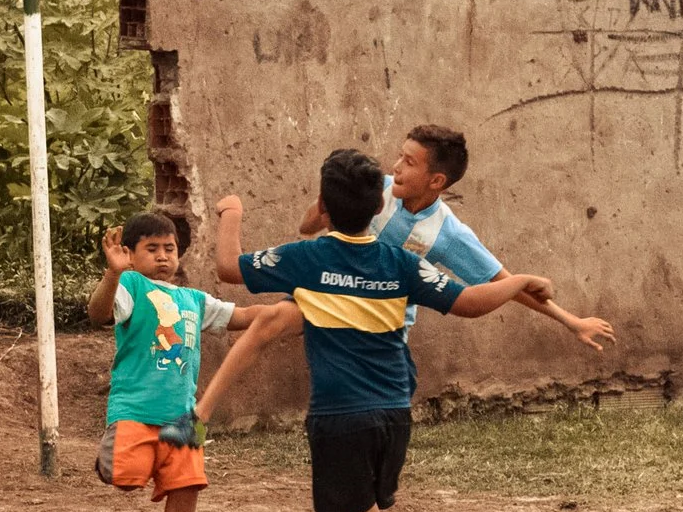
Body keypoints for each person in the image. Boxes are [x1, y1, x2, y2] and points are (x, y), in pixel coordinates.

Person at [214, 148, 555, 512]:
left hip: (340, 414)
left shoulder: (306, 258)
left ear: (322, 209)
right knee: (355, 511)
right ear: (379, 208)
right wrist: (518, 282)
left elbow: (227, 268)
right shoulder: (401, 261)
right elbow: (466, 303)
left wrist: (231, 213)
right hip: (394, 409)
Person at [180, 123, 612, 436]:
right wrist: (325, 201)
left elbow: (504, 281)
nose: (397, 167)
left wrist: (571, 321)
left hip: (381, 328)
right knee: (269, 320)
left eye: (409, 162)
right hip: (330, 298)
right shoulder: (372, 187)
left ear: (436, 180)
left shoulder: (447, 233)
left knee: (366, 426)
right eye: (398, 158)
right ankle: (201, 409)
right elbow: (307, 227)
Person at [86, 212, 261, 512]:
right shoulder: (130, 284)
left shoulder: (193, 300)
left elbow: (244, 315)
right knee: (125, 477)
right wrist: (113, 274)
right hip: (134, 410)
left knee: (187, 485)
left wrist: (290, 311)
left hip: (184, 416)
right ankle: (112, 458)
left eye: (170, 248)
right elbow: (98, 313)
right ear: (129, 254)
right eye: (152, 249)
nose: (163, 256)